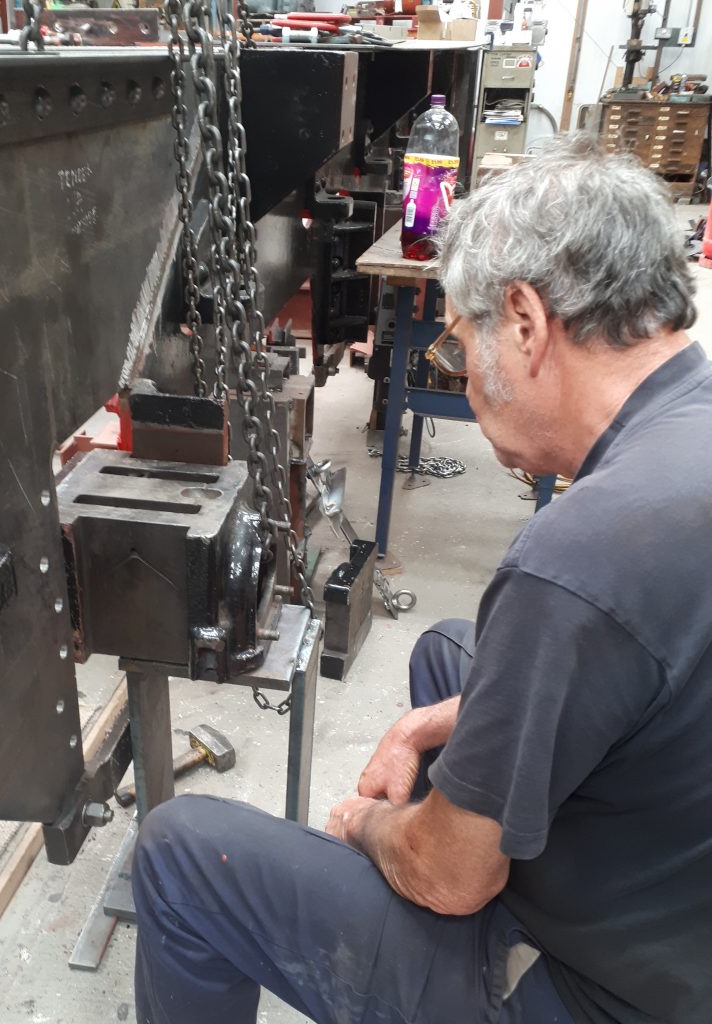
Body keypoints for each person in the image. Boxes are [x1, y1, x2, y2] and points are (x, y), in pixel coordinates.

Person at [130, 134, 712, 1024]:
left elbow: (447, 877)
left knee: (178, 850)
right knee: (451, 654)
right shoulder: (688, 436)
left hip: (601, 993)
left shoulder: (579, 555)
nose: (464, 377)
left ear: (525, 321)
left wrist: (369, 831)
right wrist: (420, 726)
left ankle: (470, 944)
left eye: (459, 342)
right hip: (673, 904)